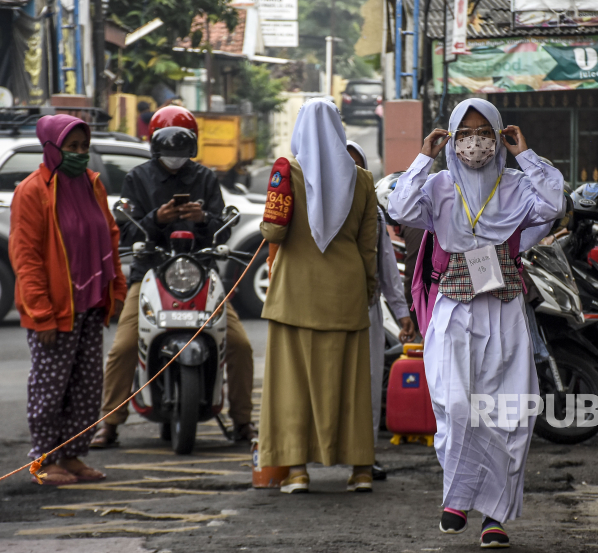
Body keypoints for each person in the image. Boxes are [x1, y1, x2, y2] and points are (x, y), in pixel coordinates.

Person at [388, 98, 565, 549]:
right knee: (455, 404)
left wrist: (524, 154)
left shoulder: (517, 184)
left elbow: (553, 204)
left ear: (499, 134)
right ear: (451, 137)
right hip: (454, 308)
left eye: (483, 131)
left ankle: (494, 516)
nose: (474, 141)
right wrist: (423, 157)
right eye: (463, 132)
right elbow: (401, 210)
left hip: (504, 308)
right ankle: (458, 494)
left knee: (509, 410)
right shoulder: (439, 185)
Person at [91, 106, 256, 448]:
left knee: (239, 344)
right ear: (155, 145)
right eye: (168, 148)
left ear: (192, 146)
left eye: (182, 148)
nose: (175, 156)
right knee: (123, 347)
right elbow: (124, 230)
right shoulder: (138, 178)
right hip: (150, 270)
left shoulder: (206, 178)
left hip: (200, 270)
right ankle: (109, 424)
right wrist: (157, 218)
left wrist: (203, 218)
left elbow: (220, 232)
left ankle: (243, 422)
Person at [258, 99, 378, 494]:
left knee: (292, 387)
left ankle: (297, 472)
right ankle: (360, 471)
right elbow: (368, 247)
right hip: (345, 296)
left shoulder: (287, 173)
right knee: (352, 387)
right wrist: (369, 291)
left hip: (294, 296)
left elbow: (274, 233)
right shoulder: (361, 179)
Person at [10, 115, 128, 484]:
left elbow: (109, 238)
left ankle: (74, 455)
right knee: (50, 389)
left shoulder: (93, 185)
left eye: (83, 147)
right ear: (51, 148)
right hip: (55, 310)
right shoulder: (32, 192)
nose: (79, 154)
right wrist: (41, 313)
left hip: (91, 305)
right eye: (70, 147)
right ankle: (45, 460)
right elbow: (26, 258)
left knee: (86, 387)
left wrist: (117, 289)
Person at [346, 139, 416, 481]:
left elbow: (387, 266)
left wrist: (402, 313)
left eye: (357, 165)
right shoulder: (312, 206)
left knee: (369, 384)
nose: (350, 171)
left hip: (367, 309)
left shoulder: (371, 210)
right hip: (324, 312)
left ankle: (364, 455)